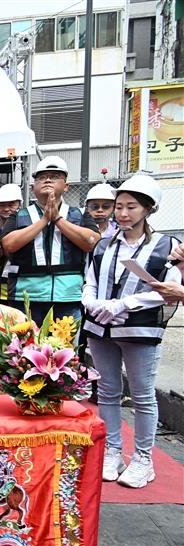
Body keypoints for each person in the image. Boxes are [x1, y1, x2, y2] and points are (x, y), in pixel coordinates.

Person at [84, 174, 181, 489]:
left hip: (140, 328)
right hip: (100, 326)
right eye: (120, 207)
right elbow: (91, 280)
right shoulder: (104, 244)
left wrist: (124, 304)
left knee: (142, 394)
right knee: (109, 391)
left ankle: (143, 459)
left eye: (132, 207)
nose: (123, 214)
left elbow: (170, 289)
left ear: (149, 209)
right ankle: (113, 451)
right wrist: (92, 303)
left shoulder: (167, 245)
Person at [2, 156, 101, 323]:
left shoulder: (79, 214)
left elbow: (92, 242)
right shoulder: (18, 216)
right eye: (41, 177)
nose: (47, 180)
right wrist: (43, 221)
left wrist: (57, 219)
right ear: (33, 188)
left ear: (66, 186)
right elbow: (9, 245)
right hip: (25, 297)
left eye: (55, 176)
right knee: (24, 348)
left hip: (68, 297)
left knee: (66, 348)